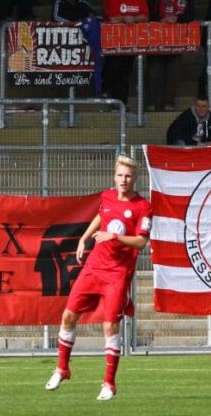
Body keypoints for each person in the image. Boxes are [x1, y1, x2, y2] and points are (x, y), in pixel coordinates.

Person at [45, 155, 152, 401]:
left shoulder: (143, 207)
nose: (123, 180)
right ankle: (62, 368)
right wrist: (84, 238)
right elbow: (102, 216)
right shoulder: (107, 197)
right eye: (120, 175)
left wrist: (114, 237)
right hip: (94, 267)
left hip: (117, 273)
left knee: (109, 325)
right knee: (68, 315)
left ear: (135, 179)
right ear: (114, 177)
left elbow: (141, 242)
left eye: (128, 176)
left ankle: (109, 383)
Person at [146, 0, 193, 111]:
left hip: (177, 40)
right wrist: (161, 19)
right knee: (154, 72)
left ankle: (168, 102)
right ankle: (151, 102)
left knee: (173, 73)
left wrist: (177, 18)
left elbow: (191, 15)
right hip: (157, 39)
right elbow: (149, 12)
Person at [102, 0, 148, 106]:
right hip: (114, 42)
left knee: (125, 73)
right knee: (113, 69)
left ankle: (122, 102)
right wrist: (124, 18)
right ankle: (107, 93)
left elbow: (145, 16)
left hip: (131, 42)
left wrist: (133, 18)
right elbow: (112, 18)